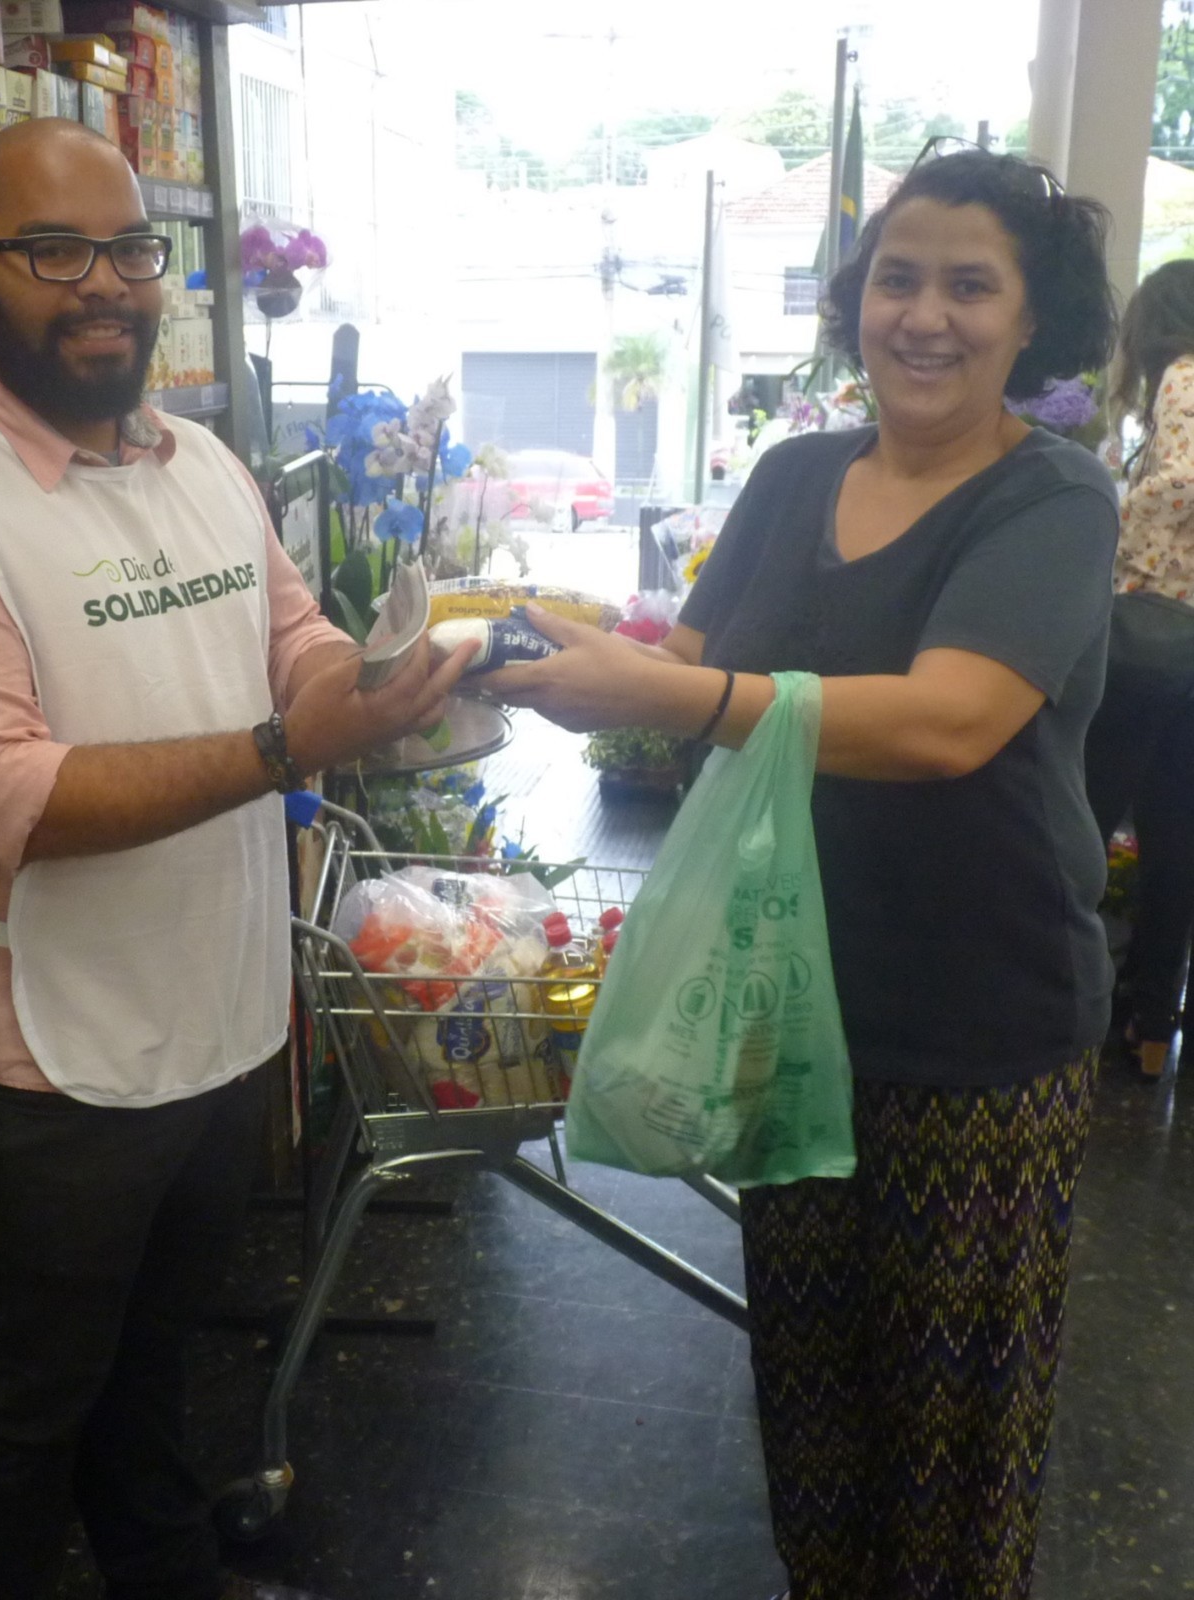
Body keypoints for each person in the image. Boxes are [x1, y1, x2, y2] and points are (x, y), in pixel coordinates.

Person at [0, 118, 473, 1600]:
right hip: (45, 1056)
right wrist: (283, 747)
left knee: (154, 1363)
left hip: (216, 1012)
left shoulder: (202, 464)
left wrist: (384, 682)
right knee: (30, 1398)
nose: (104, 284)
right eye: (54, 252)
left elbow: (293, 641)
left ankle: (164, 1568)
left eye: (128, 248)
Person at [481, 148, 1118, 1600]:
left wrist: (673, 695)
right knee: (815, 1388)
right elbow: (692, 661)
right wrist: (540, 663)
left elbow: (950, 721)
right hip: (784, 1001)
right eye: (899, 279)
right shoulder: (792, 476)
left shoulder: (1051, 499)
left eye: (971, 286)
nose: (925, 316)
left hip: (978, 1019)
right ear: (855, 300)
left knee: (949, 1424)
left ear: (1032, 319)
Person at [1083, 259, 1194, 1081]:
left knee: (1083, 814)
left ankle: (1064, 999)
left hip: (1150, 634)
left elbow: (1184, 480)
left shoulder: (1185, 375)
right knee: (1175, 834)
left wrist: (1114, 523)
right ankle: (1151, 1023)